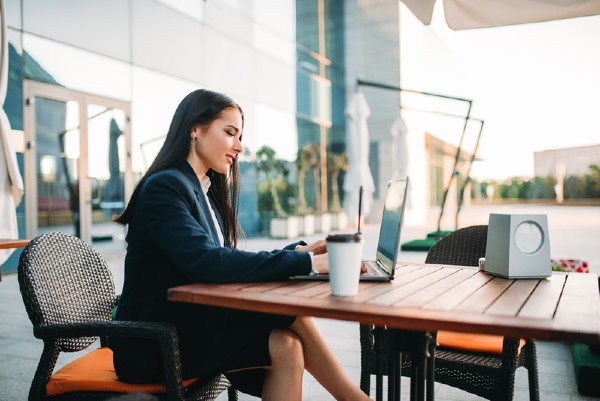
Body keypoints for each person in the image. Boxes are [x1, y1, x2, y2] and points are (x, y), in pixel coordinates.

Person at [110, 89, 371, 401]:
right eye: (229, 132)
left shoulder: (202, 189)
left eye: (240, 135)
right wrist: (310, 265)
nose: (239, 146)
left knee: (287, 347)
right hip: (155, 343)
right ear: (195, 128)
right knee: (290, 313)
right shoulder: (165, 187)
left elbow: (224, 258)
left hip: (192, 327)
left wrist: (296, 254)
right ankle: (355, 399)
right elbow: (205, 262)